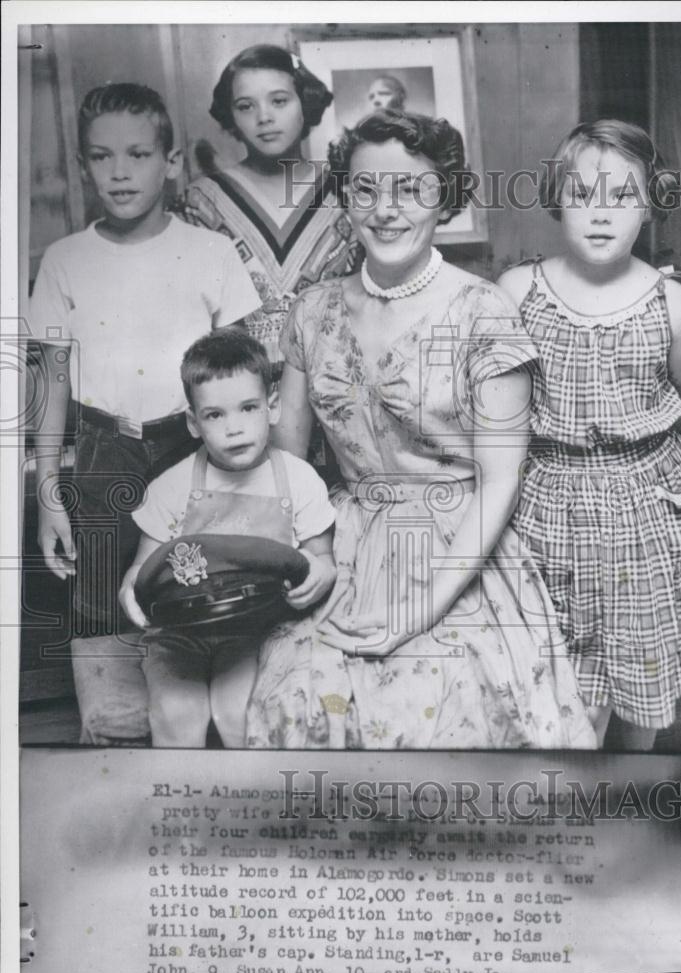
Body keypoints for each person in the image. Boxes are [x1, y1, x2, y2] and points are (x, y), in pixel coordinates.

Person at [246, 109, 597, 750]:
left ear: (447, 199)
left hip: (459, 549)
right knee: (296, 692)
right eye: (366, 189)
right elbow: (287, 467)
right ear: (344, 200)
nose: (387, 209)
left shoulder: (483, 311)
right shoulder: (312, 309)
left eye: (412, 189)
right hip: (341, 544)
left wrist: (421, 607)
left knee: (440, 708)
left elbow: (499, 482)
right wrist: (312, 559)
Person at [29, 83, 261, 740]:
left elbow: (243, 374)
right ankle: (112, 740)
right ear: (82, 167)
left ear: (172, 159)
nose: (120, 171)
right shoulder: (65, 260)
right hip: (105, 454)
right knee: (100, 595)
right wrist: (50, 492)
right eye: (102, 157)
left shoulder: (209, 254)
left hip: (193, 453)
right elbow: (52, 382)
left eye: (138, 153)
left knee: (193, 586)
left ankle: (201, 747)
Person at [498, 120, 681, 750]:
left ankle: (630, 805)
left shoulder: (676, 304)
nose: (602, 214)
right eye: (583, 195)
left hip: (647, 513)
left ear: (651, 203)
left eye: (622, 196)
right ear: (558, 198)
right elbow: (495, 419)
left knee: (645, 682)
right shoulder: (518, 291)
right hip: (545, 508)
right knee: (557, 686)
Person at [118, 329, 337, 747]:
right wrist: (130, 592)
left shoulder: (299, 479)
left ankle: (241, 802)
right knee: (180, 714)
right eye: (215, 415)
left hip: (254, 630)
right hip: (177, 635)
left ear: (272, 407)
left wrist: (321, 575)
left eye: (248, 408)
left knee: (238, 713)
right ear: (194, 423)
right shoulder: (172, 486)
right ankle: (182, 804)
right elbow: (139, 572)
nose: (233, 428)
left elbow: (322, 557)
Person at [176, 44, 363, 370]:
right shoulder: (202, 201)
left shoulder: (347, 189)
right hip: (238, 389)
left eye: (279, 101)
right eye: (246, 106)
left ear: (305, 103)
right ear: (230, 116)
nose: (264, 117)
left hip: (336, 384)